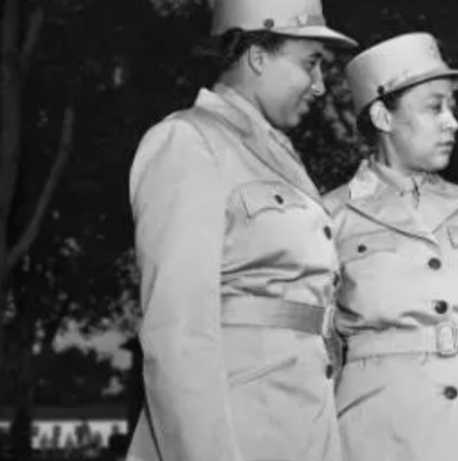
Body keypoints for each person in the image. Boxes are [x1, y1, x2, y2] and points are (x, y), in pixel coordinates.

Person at [126, 1, 357, 460]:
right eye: (310, 63)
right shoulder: (189, 140)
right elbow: (178, 333)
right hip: (239, 429)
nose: (319, 85)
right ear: (258, 57)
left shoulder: (278, 156)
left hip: (303, 425)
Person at [323, 33, 458, 461]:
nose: (452, 122)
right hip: (378, 438)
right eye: (434, 107)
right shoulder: (329, 216)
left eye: (452, 108)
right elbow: (320, 353)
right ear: (383, 115)